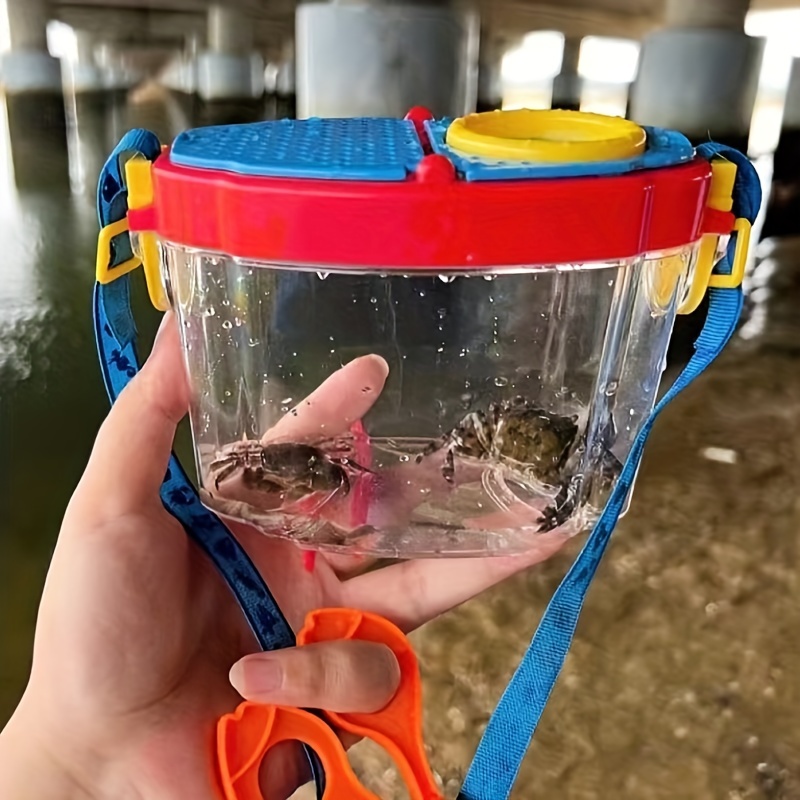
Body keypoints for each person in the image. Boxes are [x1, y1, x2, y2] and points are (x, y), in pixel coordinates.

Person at [0, 314, 566, 799]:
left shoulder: (310, 476)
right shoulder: (257, 471)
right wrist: (75, 758)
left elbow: (327, 474)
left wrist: (77, 763)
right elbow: (255, 466)